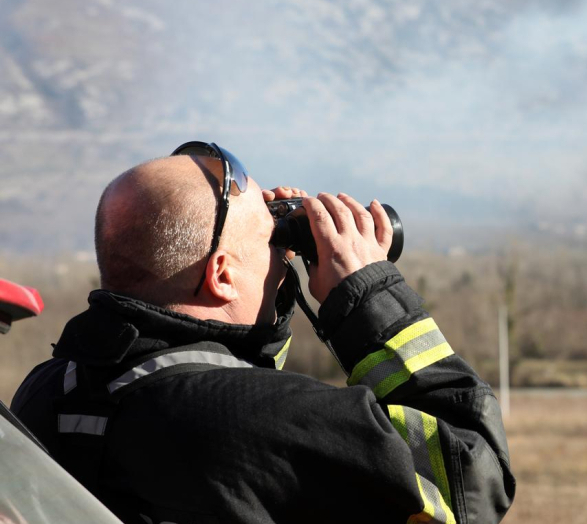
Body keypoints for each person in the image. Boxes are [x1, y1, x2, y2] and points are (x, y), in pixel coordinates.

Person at [11, 142, 515, 524]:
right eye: (270, 238)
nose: (282, 254)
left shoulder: (47, 392)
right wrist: (369, 296)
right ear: (223, 275)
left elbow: (209, 378)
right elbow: (472, 476)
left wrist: (265, 281)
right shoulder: (267, 418)